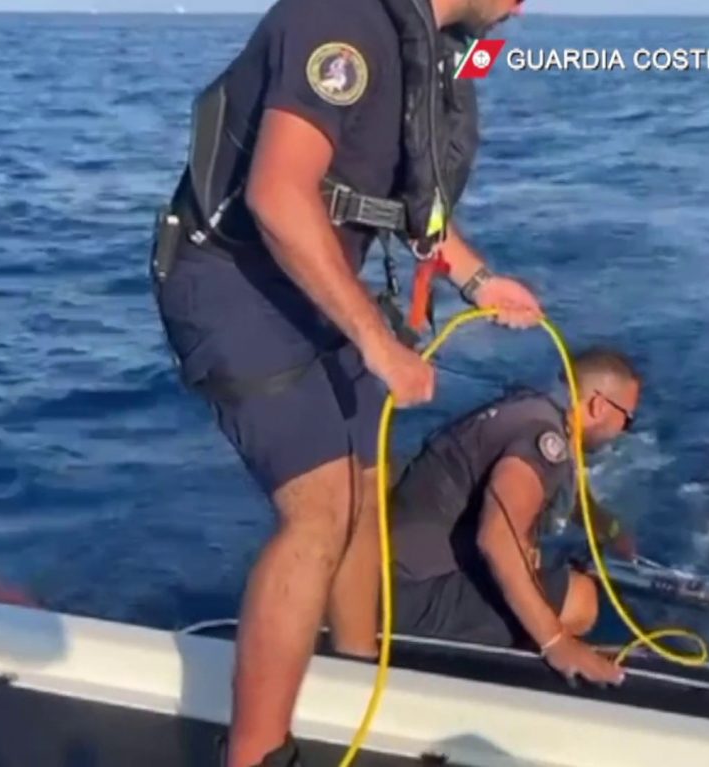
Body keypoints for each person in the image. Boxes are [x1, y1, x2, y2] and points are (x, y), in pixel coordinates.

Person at [146, 0, 539, 764]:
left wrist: (477, 278)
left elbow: (411, 203)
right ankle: (255, 753)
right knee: (319, 512)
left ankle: (355, 679)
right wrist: (377, 342)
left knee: (364, 483)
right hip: (229, 281)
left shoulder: (430, 47)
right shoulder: (342, 20)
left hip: (311, 282)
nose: (523, 6)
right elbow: (277, 194)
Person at [386, 346, 641, 686]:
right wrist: (556, 642)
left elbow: (541, 490)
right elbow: (498, 538)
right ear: (599, 406)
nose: (625, 430)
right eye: (628, 419)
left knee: (534, 569)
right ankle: (506, 677)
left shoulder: (528, 410)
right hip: (407, 601)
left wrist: (607, 527)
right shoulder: (544, 440)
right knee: (581, 600)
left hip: (391, 576)